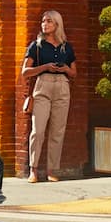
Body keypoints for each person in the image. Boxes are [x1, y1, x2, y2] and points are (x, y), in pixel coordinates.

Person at [21, 10, 77, 183]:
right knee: (38, 131)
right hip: (43, 86)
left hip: (62, 86)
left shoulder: (66, 46)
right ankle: (34, 170)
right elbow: (25, 72)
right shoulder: (36, 45)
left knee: (57, 131)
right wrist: (45, 66)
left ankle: (52, 170)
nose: (45, 24)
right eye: (43, 21)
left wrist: (65, 69)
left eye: (49, 21)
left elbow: (74, 73)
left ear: (57, 24)